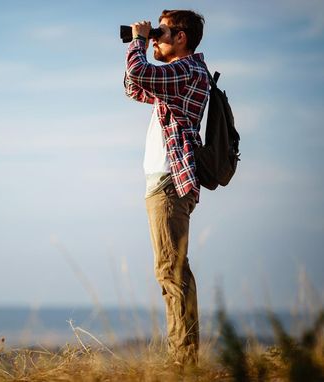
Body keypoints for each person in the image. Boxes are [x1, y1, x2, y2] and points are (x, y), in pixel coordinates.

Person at [123, 10, 210, 365]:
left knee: (171, 270)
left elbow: (137, 71)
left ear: (181, 38)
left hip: (170, 181)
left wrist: (138, 42)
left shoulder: (187, 70)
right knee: (171, 268)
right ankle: (184, 356)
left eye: (163, 33)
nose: (156, 38)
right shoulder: (177, 77)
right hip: (164, 181)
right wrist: (142, 44)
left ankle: (184, 361)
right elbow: (133, 87)